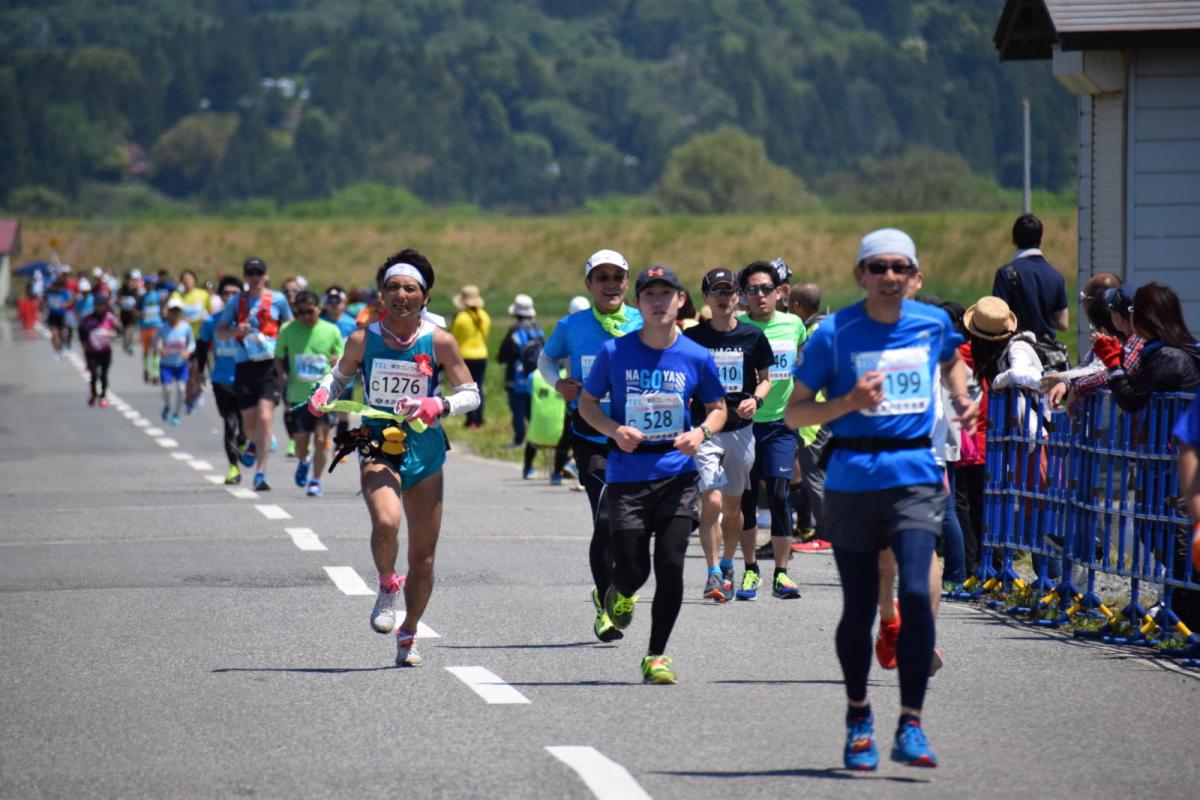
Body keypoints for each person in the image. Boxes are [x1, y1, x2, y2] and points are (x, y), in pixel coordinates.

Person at [787, 228, 976, 771]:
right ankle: (858, 715)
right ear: (860, 275)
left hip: (914, 472)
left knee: (916, 595)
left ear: (915, 276)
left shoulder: (931, 323)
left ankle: (911, 722)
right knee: (860, 607)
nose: (889, 277)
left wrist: (961, 398)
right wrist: (847, 401)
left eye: (900, 267)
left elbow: (951, 361)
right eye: (878, 267)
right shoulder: (835, 334)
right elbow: (795, 412)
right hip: (851, 476)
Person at [306, 249, 478, 667]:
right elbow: (341, 375)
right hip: (376, 441)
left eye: (410, 288)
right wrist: (324, 392)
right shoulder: (363, 339)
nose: (400, 295)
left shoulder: (439, 341)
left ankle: (410, 631)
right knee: (386, 521)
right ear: (380, 294)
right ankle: (386, 584)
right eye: (392, 287)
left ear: (425, 296)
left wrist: (439, 405)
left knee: (423, 558)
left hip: (426, 448)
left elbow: (471, 394)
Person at [579, 265, 726, 684]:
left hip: (677, 473)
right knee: (632, 570)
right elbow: (588, 403)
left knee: (672, 562)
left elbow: (718, 408)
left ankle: (656, 655)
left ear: (681, 300)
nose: (658, 302)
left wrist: (700, 433)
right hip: (627, 473)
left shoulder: (697, 356)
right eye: (649, 295)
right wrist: (613, 429)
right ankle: (619, 593)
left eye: (667, 294)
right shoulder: (615, 352)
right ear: (637, 302)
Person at [538, 249, 644, 642]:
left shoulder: (641, 320)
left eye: (617, 277)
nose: (611, 285)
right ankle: (604, 601)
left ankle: (619, 586)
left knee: (630, 527)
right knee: (604, 518)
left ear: (627, 283)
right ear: (589, 285)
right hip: (590, 434)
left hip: (636, 436)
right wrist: (557, 383)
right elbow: (546, 360)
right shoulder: (572, 325)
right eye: (602, 278)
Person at [684, 268, 772, 602]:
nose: (723, 298)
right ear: (706, 298)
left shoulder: (752, 336)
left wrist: (756, 399)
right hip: (705, 428)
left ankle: (727, 563)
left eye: (729, 292)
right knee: (713, 501)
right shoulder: (693, 338)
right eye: (716, 292)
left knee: (734, 509)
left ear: (738, 296)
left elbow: (765, 378)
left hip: (740, 429)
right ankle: (712, 575)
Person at [735, 260, 806, 600]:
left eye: (766, 289)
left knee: (778, 494)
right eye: (752, 290)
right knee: (747, 500)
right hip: (743, 425)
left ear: (780, 293)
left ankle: (782, 573)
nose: (760, 295)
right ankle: (750, 569)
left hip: (780, 423)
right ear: (743, 296)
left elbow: (803, 363)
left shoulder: (794, 325)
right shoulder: (737, 327)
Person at [217, 257, 294, 491]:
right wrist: (234, 330)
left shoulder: (278, 300)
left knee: (264, 416)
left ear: (266, 276)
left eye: (258, 273)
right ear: (245, 277)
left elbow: (290, 327)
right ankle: (252, 442)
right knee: (249, 423)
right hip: (245, 364)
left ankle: (260, 473)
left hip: (269, 365)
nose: (255, 278)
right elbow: (220, 332)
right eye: (250, 273)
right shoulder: (237, 301)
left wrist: (286, 358)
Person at [277, 290, 345, 496]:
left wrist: (337, 362)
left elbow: (344, 358)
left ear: (319, 309)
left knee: (321, 438)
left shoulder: (331, 330)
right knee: (300, 443)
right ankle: (303, 460)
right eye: (302, 312)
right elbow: (278, 356)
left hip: (324, 397)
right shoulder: (288, 329)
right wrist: (281, 374)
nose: (306, 316)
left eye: (310, 311)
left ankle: (315, 481)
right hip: (299, 397)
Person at [1106, 282, 1200, 413]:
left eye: (1133, 310)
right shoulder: (1167, 352)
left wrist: (1114, 365)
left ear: (1146, 317)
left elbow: (1131, 400)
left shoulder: (1169, 357)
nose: (1131, 316)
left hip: (1171, 432)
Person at [991, 213, 1069, 368]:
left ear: (1014, 240)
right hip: (1048, 358)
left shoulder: (1005, 274)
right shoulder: (1056, 275)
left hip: (1016, 355)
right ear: (1040, 240)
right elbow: (1063, 323)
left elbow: (999, 319)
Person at [789, 282, 832, 551]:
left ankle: (826, 533)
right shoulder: (827, 327)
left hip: (813, 416)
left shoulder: (812, 334)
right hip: (824, 412)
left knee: (814, 477)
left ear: (796, 306)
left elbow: (805, 374)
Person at [197, 276, 247, 484]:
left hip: (246, 378)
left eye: (235, 293)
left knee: (246, 426)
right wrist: (199, 373)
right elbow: (201, 348)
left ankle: (244, 442)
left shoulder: (247, 322)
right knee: (229, 422)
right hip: (221, 380)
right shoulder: (211, 322)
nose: (231, 297)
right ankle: (233, 467)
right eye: (227, 293)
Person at [496, 293, 545, 452]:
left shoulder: (514, 331)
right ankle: (536, 438)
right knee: (532, 410)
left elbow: (503, 356)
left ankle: (519, 440)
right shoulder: (538, 330)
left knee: (517, 410)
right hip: (536, 377)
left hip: (516, 378)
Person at [321, 286, 360, 440]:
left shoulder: (352, 323)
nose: (334, 304)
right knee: (325, 411)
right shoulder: (320, 322)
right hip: (324, 375)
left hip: (346, 375)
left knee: (343, 412)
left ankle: (339, 445)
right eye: (330, 301)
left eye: (337, 301)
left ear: (344, 303)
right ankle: (324, 440)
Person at [170, 269, 212, 414]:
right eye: (184, 279)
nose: (187, 281)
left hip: (201, 337)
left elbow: (211, 314)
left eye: (190, 278)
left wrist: (205, 319)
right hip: (185, 339)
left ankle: (197, 392)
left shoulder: (203, 295)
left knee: (198, 370)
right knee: (189, 370)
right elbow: (171, 313)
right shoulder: (177, 296)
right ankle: (189, 398)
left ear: (194, 280)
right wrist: (189, 320)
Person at [451, 285, 491, 428]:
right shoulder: (484, 316)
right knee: (479, 387)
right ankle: (480, 418)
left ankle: (471, 420)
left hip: (466, 356)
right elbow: (486, 336)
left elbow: (454, 338)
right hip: (482, 354)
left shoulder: (461, 318)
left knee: (467, 389)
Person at [155, 298, 196, 426]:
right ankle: (167, 405)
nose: (174, 314)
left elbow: (192, 343)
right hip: (166, 364)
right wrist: (161, 349)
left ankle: (176, 414)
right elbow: (157, 342)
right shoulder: (163, 327)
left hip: (181, 364)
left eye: (177, 311)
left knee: (181, 389)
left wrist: (188, 352)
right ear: (168, 312)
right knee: (168, 389)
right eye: (172, 311)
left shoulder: (186, 327)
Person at [78, 290, 121, 407]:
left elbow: (119, 330)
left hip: (105, 351)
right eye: (98, 305)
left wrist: (112, 334)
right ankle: (93, 394)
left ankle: (103, 396)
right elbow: (81, 332)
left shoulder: (109, 318)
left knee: (103, 374)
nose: (100, 307)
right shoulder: (87, 319)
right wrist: (85, 345)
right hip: (91, 352)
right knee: (93, 375)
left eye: (103, 305)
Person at [137, 276, 165, 383]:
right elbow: (135, 310)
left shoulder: (158, 296)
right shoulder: (141, 297)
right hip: (144, 327)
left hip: (156, 326)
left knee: (156, 350)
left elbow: (163, 310)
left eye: (151, 284)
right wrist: (141, 314)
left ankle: (156, 373)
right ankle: (146, 370)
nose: (149, 286)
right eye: (147, 284)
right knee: (146, 351)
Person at [43, 275, 74, 357]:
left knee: (61, 334)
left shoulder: (64, 292)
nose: (57, 286)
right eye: (56, 284)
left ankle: (62, 346)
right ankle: (57, 351)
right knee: (54, 334)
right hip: (52, 315)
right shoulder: (49, 291)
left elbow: (71, 300)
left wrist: (65, 305)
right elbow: (44, 300)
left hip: (62, 316)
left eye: (59, 285)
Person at [116, 270, 142, 354]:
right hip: (125, 311)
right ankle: (127, 343)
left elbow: (137, 299)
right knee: (127, 328)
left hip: (131, 311)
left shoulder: (133, 289)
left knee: (129, 328)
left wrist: (134, 307)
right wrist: (123, 303)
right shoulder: (123, 289)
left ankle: (128, 343)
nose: (128, 281)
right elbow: (118, 300)